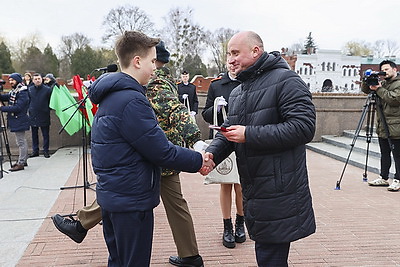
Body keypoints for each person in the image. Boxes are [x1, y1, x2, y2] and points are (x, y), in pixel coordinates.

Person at [52, 40, 206, 267]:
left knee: (120, 256)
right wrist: (200, 159)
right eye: (151, 61)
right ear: (137, 61)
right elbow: (160, 150)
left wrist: (194, 143)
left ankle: (189, 255)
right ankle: (190, 256)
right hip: (137, 187)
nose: (155, 68)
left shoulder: (112, 94)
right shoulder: (132, 98)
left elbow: (174, 114)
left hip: (125, 185)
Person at [202, 31, 316, 266]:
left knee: (270, 256)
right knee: (267, 254)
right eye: (228, 54)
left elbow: (303, 128)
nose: (230, 60)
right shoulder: (238, 91)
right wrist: (213, 153)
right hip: (257, 189)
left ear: (256, 51)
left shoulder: (287, 81)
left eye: (236, 53)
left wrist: (249, 134)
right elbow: (229, 130)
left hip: (278, 189)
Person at [201, 63, 246, 249]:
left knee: (241, 186)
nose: (232, 64)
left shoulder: (247, 81)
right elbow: (206, 114)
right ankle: (227, 226)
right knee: (226, 183)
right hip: (224, 140)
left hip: (243, 139)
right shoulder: (216, 85)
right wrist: (217, 109)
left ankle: (240, 224)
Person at [362, 60, 400, 192]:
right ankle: (383, 177)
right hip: (382, 126)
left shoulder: (398, 84)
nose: (385, 72)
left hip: (396, 126)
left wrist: (379, 88)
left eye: (387, 69)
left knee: (397, 155)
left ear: (395, 69)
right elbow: (366, 90)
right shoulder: (382, 83)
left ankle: (398, 179)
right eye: (383, 70)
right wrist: (367, 79)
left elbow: (394, 99)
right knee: (384, 153)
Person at [0, 73, 30, 171]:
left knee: (21, 142)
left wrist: (2, 108)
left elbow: (18, 107)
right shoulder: (15, 91)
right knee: (21, 141)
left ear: (17, 80)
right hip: (18, 120)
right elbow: (6, 97)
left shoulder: (22, 92)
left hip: (20, 119)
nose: (10, 82)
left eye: (12, 80)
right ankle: (23, 160)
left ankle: (21, 163)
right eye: (10, 80)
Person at [28, 73, 52, 158]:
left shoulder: (47, 90)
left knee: (45, 134)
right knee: (34, 134)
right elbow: (28, 101)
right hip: (33, 114)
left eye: (39, 79)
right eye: (35, 79)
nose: (37, 80)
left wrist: (47, 109)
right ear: (33, 80)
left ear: (42, 79)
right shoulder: (30, 89)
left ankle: (46, 151)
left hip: (44, 114)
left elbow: (51, 102)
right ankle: (35, 151)